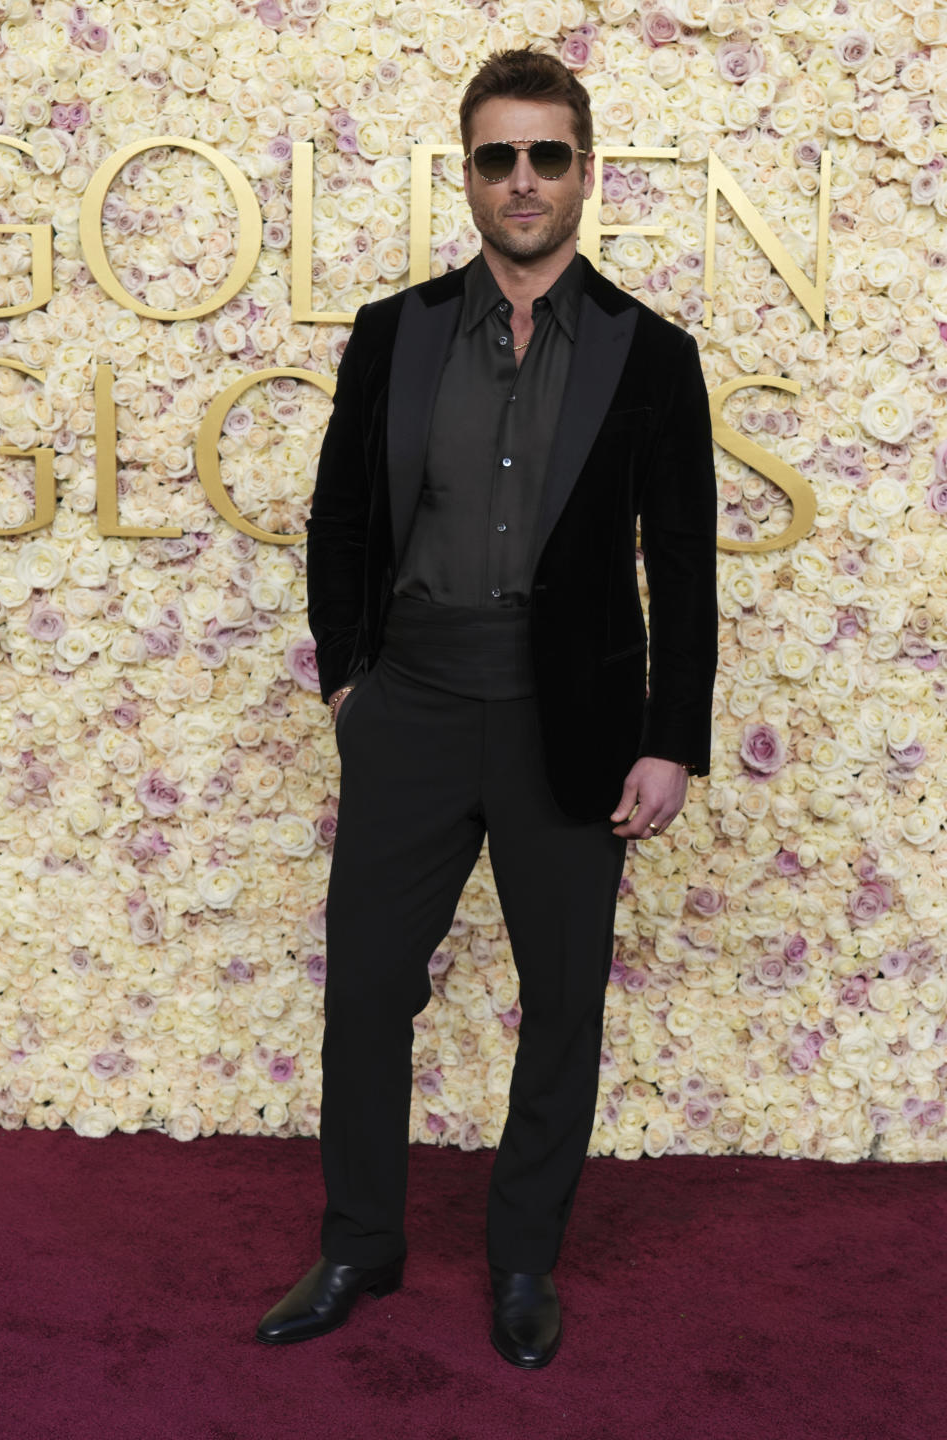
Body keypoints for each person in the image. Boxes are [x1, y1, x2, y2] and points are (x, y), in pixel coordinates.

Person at [256, 46, 718, 1369]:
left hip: (567, 718)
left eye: (548, 156)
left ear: (584, 171)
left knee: (563, 997)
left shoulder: (652, 354)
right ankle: (360, 1243)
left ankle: (523, 1260)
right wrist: (351, 678)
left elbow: (680, 563)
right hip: (411, 699)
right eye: (498, 157)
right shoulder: (392, 334)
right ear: (468, 172)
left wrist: (671, 738)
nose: (523, 181)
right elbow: (340, 517)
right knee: (366, 988)